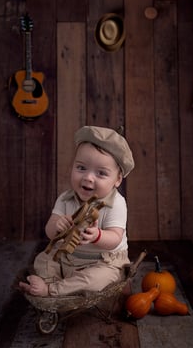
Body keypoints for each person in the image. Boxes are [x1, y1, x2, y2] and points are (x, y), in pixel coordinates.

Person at [19, 125, 135, 297]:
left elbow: (115, 238)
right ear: (72, 166)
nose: (88, 177)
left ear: (117, 180)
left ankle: (52, 290)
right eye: (81, 168)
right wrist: (57, 226)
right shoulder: (65, 199)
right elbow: (50, 232)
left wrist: (97, 236)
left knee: (96, 278)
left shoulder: (116, 203)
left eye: (101, 173)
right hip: (68, 257)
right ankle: (54, 282)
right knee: (43, 259)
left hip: (103, 262)